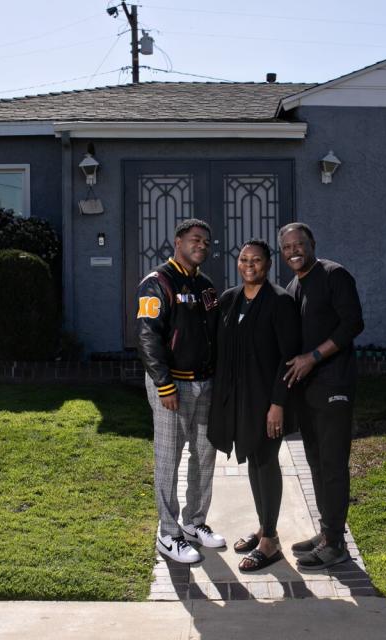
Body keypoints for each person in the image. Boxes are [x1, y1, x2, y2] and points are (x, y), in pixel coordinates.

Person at [208, 239, 301, 572]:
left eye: (257, 260)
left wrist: (278, 404)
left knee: (266, 460)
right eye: (244, 259)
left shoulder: (280, 302)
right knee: (252, 457)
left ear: (268, 264)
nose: (249, 265)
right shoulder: (229, 299)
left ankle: (271, 540)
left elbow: (289, 358)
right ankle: (264, 526)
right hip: (240, 398)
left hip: (268, 398)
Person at [136, 218, 226, 563]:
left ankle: (195, 523)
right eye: (194, 239)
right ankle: (169, 533)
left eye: (206, 241)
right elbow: (147, 337)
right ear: (177, 242)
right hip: (172, 385)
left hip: (205, 383)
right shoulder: (157, 282)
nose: (201, 245)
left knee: (204, 455)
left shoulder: (206, 286)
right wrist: (164, 384)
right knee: (169, 457)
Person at [279, 222, 364, 570]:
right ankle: (329, 531)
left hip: (333, 384)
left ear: (312, 243)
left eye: (299, 244)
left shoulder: (334, 275)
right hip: (307, 390)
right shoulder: (294, 285)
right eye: (287, 247)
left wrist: (313, 357)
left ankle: (335, 545)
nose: (294, 250)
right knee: (315, 461)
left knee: (331, 463)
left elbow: (352, 324)